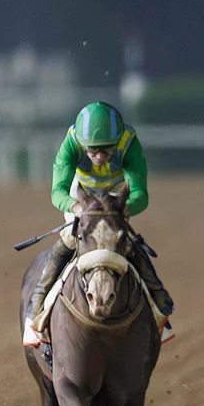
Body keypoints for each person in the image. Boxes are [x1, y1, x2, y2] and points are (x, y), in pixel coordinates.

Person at [23, 101, 173, 345]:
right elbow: (57, 191)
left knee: (124, 242)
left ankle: (159, 304)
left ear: (118, 140)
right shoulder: (71, 142)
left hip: (116, 193)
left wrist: (121, 209)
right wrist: (76, 207)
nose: (100, 156)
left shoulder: (129, 142)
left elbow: (140, 194)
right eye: (93, 150)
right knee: (70, 239)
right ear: (82, 144)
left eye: (106, 149)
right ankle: (37, 305)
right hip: (81, 192)